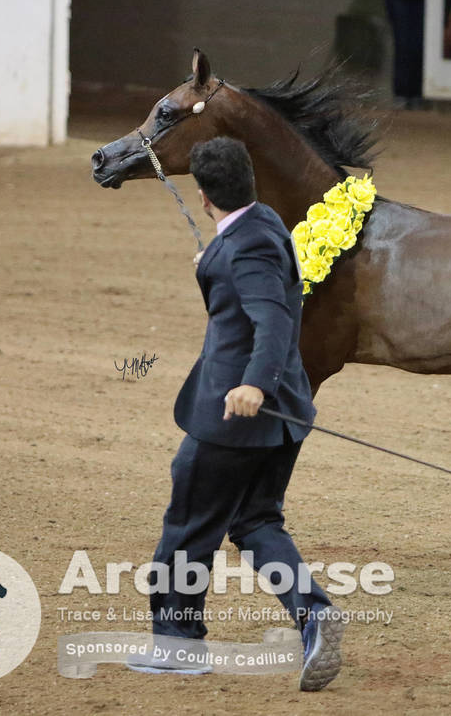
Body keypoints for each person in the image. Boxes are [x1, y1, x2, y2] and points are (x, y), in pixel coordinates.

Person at [127, 136, 344, 692]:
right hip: (287, 410)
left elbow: (271, 319)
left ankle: (176, 646)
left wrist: (251, 383)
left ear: (202, 198)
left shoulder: (244, 248)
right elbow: (259, 277)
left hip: (236, 412)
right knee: (254, 521)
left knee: (189, 526)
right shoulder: (265, 221)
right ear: (251, 180)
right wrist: (214, 260)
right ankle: (314, 614)